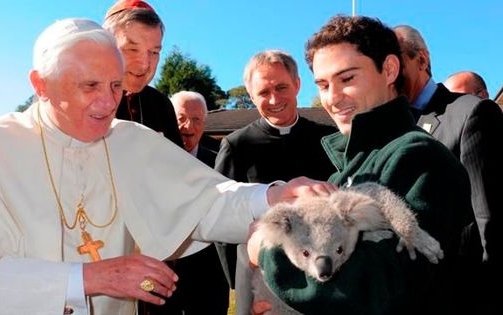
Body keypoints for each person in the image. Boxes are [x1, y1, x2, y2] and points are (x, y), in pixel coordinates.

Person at [0, 18, 334, 315]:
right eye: (89, 86)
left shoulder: (129, 139)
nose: (107, 102)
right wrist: (90, 278)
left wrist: (273, 195)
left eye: (115, 86)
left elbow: (208, 201)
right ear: (41, 84)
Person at [250, 15, 481, 314]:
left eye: (347, 79)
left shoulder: (421, 157)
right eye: (323, 84)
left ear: (389, 69)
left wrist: (266, 253)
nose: (332, 98)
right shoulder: (345, 170)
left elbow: (376, 287)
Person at [214, 49, 337, 315]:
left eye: (282, 87)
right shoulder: (236, 145)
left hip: (322, 267)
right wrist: (237, 279)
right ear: (250, 95)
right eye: (263, 93)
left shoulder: (328, 140)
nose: (274, 99)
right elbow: (219, 213)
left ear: (297, 85)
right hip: (259, 269)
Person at [395, 25, 501, 308]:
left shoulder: (471, 113)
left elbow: (489, 218)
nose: (389, 74)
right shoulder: (392, 127)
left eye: (396, 62)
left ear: (422, 59)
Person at [136, 91, 228, 315]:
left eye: (196, 120)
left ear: (204, 124)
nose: (188, 126)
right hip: (161, 272)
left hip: (208, 277)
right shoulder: (146, 161)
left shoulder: (219, 162)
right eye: (181, 118)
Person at [103, 0, 183, 147]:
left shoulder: (161, 105)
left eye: (154, 52)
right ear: (106, 45)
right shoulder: (80, 99)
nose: (145, 64)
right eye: (132, 49)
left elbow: (177, 167)